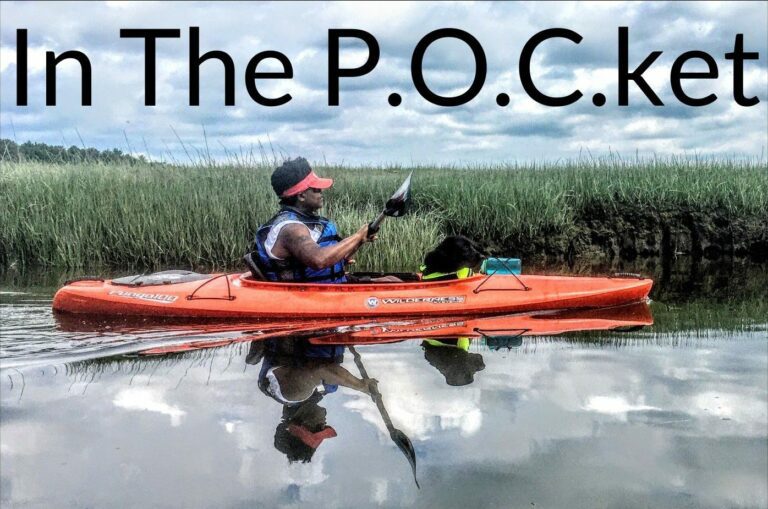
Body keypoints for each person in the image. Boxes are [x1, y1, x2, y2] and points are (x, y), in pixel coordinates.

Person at [252, 157, 373, 283]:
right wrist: (358, 236)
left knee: (390, 279)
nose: (321, 192)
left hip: (330, 287)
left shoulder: (308, 222)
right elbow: (319, 260)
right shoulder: (291, 228)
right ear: (301, 196)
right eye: (316, 189)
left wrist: (360, 240)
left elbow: (329, 257)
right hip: (309, 295)